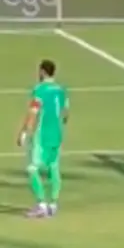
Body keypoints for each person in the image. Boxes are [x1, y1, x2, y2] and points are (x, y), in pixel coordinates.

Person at [17, 59, 68, 218]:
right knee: (54, 168)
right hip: (57, 134)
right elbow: (66, 114)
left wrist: (24, 132)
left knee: (32, 168)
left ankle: (41, 205)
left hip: (42, 135)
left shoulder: (39, 90)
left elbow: (33, 112)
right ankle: (53, 204)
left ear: (43, 72)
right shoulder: (61, 90)